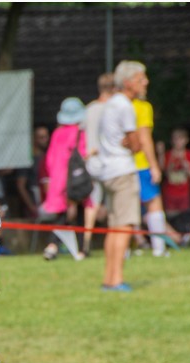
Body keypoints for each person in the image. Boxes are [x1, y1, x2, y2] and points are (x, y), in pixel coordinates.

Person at [97, 60, 145, 291]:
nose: (145, 82)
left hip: (108, 171)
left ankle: (109, 278)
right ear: (128, 82)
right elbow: (136, 144)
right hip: (124, 171)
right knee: (124, 227)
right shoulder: (126, 106)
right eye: (140, 79)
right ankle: (116, 280)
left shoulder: (110, 104)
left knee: (113, 227)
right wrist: (132, 143)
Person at [39, 97, 90, 260]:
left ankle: (54, 246)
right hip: (74, 180)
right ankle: (79, 249)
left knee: (62, 214)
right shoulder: (80, 133)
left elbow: (49, 160)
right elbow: (83, 155)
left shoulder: (57, 133)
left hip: (57, 180)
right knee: (78, 213)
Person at [132, 97, 180, 257]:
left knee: (125, 209)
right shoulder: (143, 106)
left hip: (120, 166)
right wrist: (154, 166)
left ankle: (126, 250)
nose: (145, 82)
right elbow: (145, 138)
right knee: (154, 205)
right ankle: (159, 249)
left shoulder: (113, 105)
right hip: (140, 164)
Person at [82, 73, 115, 256]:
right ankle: (119, 242)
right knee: (114, 203)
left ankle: (86, 242)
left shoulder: (89, 109)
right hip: (107, 161)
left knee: (92, 204)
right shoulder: (110, 109)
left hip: (90, 161)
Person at [161, 127, 190, 214]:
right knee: (171, 216)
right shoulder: (168, 154)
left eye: (181, 139)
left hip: (184, 193)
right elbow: (163, 172)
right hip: (169, 193)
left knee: (184, 217)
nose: (178, 142)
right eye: (175, 139)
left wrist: (186, 167)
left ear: (186, 140)